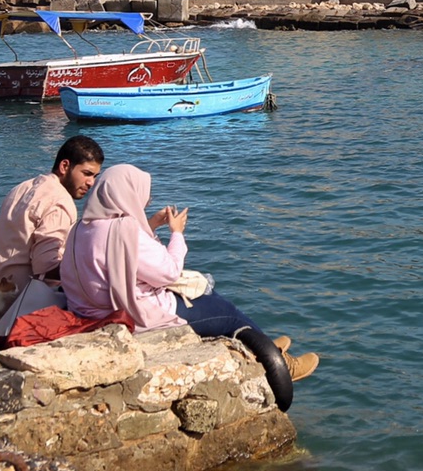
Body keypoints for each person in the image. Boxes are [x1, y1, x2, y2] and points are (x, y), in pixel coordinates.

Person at [60, 165, 317, 385]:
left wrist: (150, 225)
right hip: (136, 314)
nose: (145, 201)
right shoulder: (125, 232)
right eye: (141, 195)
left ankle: (266, 343)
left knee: (208, 297)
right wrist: (177, 233)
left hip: (90, 312)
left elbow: (123, 260)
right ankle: (281, 364)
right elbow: (168, 272)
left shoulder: (80, 230)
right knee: (228, 313)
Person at [0, 136, 102, 336]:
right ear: (65, 166)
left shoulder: (23, 187)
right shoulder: (60, 202)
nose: (91, 183)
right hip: (17, 303)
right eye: (87, 174)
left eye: (95, 176)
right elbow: (45, 268)